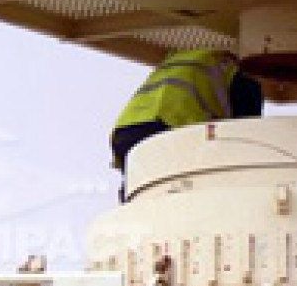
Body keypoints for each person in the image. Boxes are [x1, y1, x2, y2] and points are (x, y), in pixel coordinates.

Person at [110, 49, 264, 200]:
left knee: (139, 191)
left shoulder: (189, 59)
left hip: (126, 130)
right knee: (183, 192)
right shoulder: (243, 81)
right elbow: (245, 139)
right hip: (167, 123)